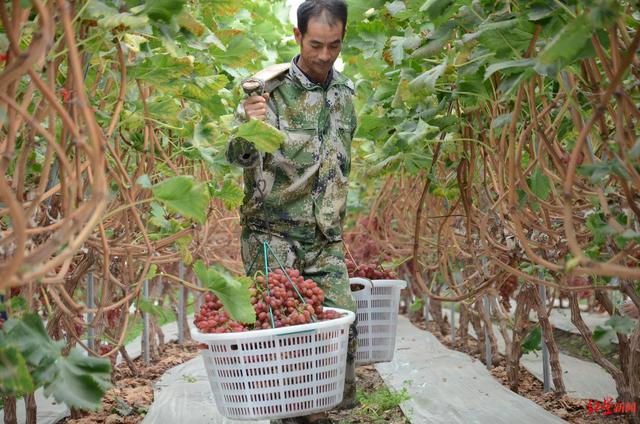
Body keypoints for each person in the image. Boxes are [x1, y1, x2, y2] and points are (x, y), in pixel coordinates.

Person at [226, 1, 357, 423]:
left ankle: (322, 414)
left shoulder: (344, 94)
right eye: (315, 44)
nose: (323, 55)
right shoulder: (267, 91)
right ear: (298, 37)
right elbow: (239, 156)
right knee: (285, 340)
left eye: (333, 45)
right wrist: (250, 125)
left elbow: (340, 162)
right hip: (273, 232)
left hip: (324, 235)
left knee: (340, 340)